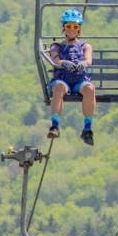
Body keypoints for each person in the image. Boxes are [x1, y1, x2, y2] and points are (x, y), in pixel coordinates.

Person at [41, 9, 97, 143]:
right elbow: (55, 60)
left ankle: (87, 128)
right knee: (59, 88)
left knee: (89, 89)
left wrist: (82, 63)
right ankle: (55, 126)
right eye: (69, 26)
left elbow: (88, 60)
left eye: (75, 27)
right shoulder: (57, 46)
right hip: (63, 79)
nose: (72, 30)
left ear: (79, 29)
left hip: (79, 80)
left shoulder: (85, 46)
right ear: (64, 28)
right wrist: (64, 63)